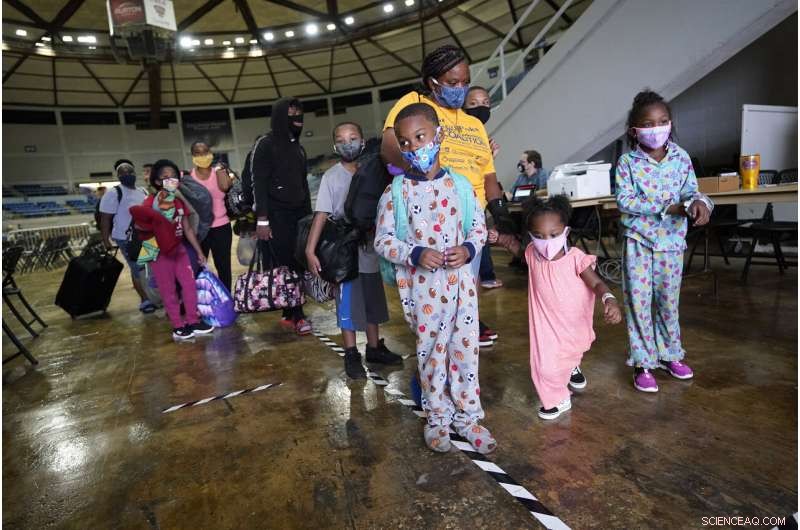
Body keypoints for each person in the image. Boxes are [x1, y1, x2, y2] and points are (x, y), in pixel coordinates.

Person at [375, 103, 496, 454]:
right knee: (431, 355)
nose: (414, 147)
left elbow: (478, 228)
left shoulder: (460, 185)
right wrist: (414, 253)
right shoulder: (395, 192)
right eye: (405, 142)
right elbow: (382, 240)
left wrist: (470, 250)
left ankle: (469, 418)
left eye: (420, 137)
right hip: (422, 294)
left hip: (462, 291)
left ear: (438, 134)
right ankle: (438, 419)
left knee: (465, 352)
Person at [381, 44, 510, 348]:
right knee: (430, 303)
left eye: (465, 82)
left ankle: (462, 347)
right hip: (430, 216)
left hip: (468, 220)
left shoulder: (473, 123)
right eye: (452, 83)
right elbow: (389, 147)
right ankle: (432, 364)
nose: (460, 89)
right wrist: (426, 179)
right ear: (432, 81)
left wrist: (500, 212)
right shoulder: (415, 103)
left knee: (466, 290)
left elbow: (488, 175)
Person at [489, 196, 623, 419]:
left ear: (566, 232)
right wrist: (500, 238)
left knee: (572, 351)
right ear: (531, 236)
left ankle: (572, 366)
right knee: (545, 365)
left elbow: (597, 283)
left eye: (553, 235)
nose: (547, 242)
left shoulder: (575, 259)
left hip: (573, 323)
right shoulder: (533, 253)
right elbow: (515, 247)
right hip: (546, 326)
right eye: (539, 236)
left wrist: (609, 299)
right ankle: (558, 398)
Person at [616, 89, 712, 393]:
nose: (656, 128)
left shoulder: (681, 158)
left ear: (670, 123)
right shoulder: (627, 163)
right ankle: (644, 363)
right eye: (648, 123)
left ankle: (670, 355)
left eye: (662, 121)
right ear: (635, 130)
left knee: (669, 304)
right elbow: (624, 200)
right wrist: (666, 207)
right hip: (639, 244)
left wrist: (702, 205)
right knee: (639, 304)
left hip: (671, 243)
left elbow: (692, 192)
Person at [306, 122, 402, 379]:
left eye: (353, 137)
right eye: (342, 139)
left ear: (362, 141)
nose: (348, 143)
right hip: (344, 252)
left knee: (372, 301)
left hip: (371, 248)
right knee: (347, 303)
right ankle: (351, 354)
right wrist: (310, 250)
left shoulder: (375, 171)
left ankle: (374, 348)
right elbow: (321, 215)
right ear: (335, 145)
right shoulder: (331, 177)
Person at [130, 159, 213, 341]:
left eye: (174, 176)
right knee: (168, 290)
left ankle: (193, 319)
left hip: (179, 250)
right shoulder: (150, 202)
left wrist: (199, 252)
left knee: (189, 285)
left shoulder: (178, 201)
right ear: (157, 181)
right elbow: (141, 225)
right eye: (165, 177)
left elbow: (188, 229)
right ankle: (178, 325)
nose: (171, 180)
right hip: (160, 253)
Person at [252, 97, 312, 335]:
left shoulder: (298, 147)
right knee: (287, 265)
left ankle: (290, 309)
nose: (296, 116)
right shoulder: (266, 144)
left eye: (299, 111)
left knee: (297, 262)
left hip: (299, 215)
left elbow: (303, 184)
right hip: (276, 216)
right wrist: (262, 220)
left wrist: (308, 218)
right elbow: (259, 183)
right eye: (291, 112)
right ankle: (297, 315)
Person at [98, 159, 154, 314]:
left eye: (129, 172)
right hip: (125, 238)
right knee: (137, 268)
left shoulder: (142, 191)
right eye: (122, 173)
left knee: (150, 267)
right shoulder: (113, 193)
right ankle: (145, 300)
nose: (127, 175)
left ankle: (154, 296)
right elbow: (105, 219)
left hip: (145, 236)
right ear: (118, 176)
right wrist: (106, 240)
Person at [463, 85, 502, 290]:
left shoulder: (482, 135)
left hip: (479, 202)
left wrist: (490, 158)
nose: (481, 107)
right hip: (460, 205)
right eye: (474, 103)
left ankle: (472, 318)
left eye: (486, 103)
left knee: (474, 261)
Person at [189, 140, 233, 291]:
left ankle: (227, 299)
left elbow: (225, 187)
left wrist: (220, 170)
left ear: (211, 154)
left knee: (224, 267)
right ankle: (203, 300)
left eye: (205, 152)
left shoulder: (219, 172)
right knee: (199, 267)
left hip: (222, 227)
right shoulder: (188, 177)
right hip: (200, 230)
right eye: (198, 153)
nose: (202, 156)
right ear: (192, 156)